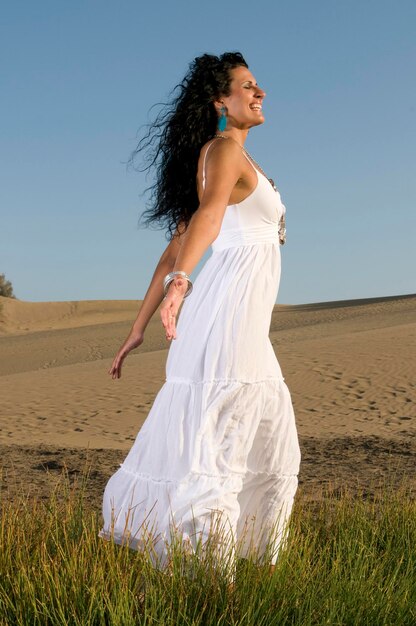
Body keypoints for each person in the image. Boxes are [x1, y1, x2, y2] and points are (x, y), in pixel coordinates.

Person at [100, 52, 301, 570]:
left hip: (244, 323)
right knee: (221, 449)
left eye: (259, 85)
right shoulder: (223, 151)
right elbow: (206, 224)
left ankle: (250, 570)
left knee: (269, 447)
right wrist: (180, 283)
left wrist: (137, 329)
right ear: (221, 101)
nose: (260, 93)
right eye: (248, 86)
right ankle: (218, 584)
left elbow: (175, 243)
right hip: (228, 314)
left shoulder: (235, 158)